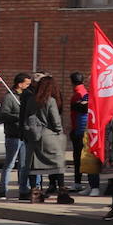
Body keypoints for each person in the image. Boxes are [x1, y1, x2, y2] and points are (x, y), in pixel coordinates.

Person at [24, 76, 72, 204]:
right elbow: (56, 121)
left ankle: (35, 193)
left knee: (33, 166)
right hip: (49, 136)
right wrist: (60, 134)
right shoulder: (50, 101)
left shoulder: (31, 100)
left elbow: (25, 117)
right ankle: (62, 193)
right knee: (58, 165)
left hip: (34, 137)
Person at [0, 72, 34, 200]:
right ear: (20, 84)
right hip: (13, 135)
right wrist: (19, 117)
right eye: (27, 84)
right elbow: (3, 115)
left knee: (24, 165)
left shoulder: (26, 97)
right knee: (9, 164)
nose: (29, 86)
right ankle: (3, 190)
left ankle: (23, 190)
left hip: (24, 135)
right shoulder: (9, 97)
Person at [69, 72, 96, 195]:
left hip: (82, 130)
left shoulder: (80, 94)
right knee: (84, 158)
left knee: (81, 158)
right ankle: (91, 184)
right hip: (82, 129)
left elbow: (84, 113)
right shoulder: (84, 94)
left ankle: (85, 183)